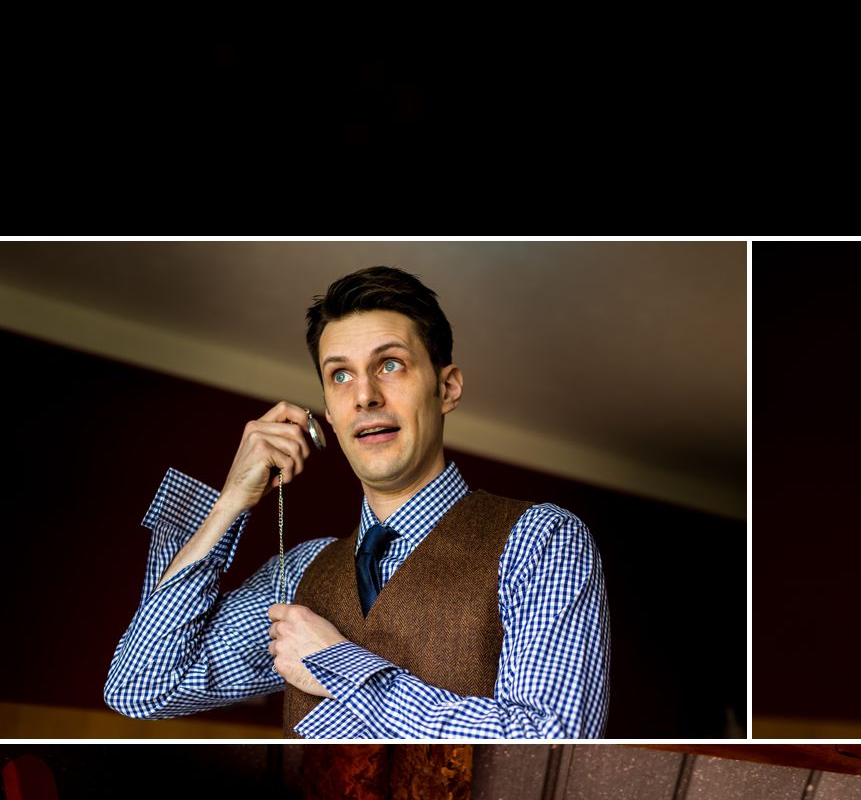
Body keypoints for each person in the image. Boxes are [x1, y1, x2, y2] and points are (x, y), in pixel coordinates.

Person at [103, 259, 610, 736]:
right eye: (340, 375)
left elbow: (553, 737)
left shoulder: (541, 539)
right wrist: (229, 504)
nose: (364, 395)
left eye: (390, 364)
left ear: (447, 387)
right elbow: (140, 689)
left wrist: (337, 667)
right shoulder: (299, 571)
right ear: (327, 407)